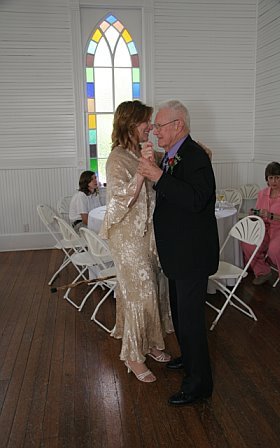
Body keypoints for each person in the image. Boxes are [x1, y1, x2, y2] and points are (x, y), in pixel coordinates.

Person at [138, 100, 219, 406]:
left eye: (159, 126)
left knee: (191, 320)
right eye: (154, 125)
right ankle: (189, 359)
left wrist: (158, 177)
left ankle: (199, 384)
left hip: (192, 255)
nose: (154, 130)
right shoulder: (175, 155)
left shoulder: (196, 156)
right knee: (180, 315)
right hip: (178, 253)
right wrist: (159, 169)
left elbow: (197, 199)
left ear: (178, 126)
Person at [100, 100, 173, 383]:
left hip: (146, 232)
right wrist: (143, 174)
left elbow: (153, 191)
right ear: (131, 124)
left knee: (155, 285)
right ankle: (132, 354)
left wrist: (150, 167)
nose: (151, 128)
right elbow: (119, 202)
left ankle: (152, 342)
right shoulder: (116, 158)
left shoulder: (138, 153)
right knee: (139, 292)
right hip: (126, 236)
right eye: (147, 123)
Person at [242, 162, 280, 294]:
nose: (274, 181)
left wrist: (271, 215)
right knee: (247, 243)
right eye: (270, 178)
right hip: (266, 228)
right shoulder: (262, 193)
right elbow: (260, 214)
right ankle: (263, 272)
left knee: (275, 249)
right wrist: (254, 213)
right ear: (266, 179)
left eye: (277, 177)